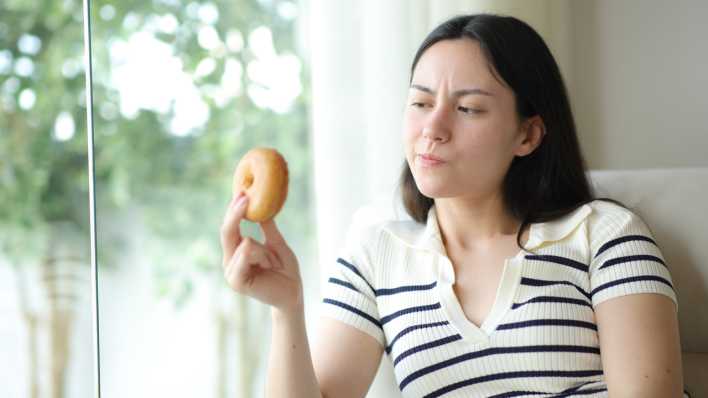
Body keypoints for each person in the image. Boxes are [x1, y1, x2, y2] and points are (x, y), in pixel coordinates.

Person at [220, 13, 688, 398]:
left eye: (468, 109)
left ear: (528, 134)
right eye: (421, 103)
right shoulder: (376, 255)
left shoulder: (605, 234)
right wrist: (286, 306)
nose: (433, 128)